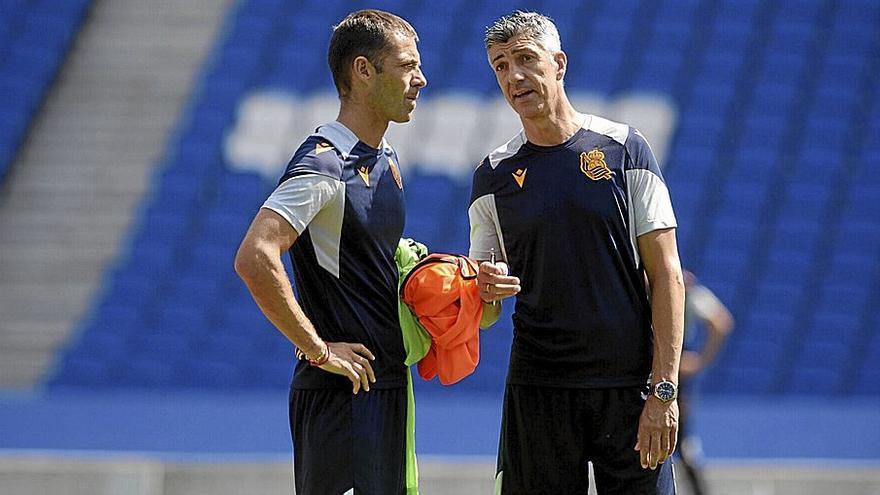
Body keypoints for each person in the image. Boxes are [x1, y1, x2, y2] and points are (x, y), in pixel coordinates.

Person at [470, 11, 684, 494]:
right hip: (538, 390)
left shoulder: (625, 149)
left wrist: (663, 392)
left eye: (526, 59)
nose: (514, 76)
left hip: (628, 389)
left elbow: (666, 273)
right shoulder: (493, 175)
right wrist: (485, 293)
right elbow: (485, 312)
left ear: (559, 63)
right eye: (500, 66)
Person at [234, 9, 427, 494]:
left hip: (383, 389)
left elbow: (364, 255)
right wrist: (319, 350)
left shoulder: (386, 159)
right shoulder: (325, 163)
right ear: (364, 71)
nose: (420, 79)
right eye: (406, 65)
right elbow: (255, 256)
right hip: (342, 397)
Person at [676, 271, 734, 495]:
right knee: (680, 439)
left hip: (665, 369)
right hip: (671, 367)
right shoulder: (684, 283)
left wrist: (700, 361)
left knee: (679, 437)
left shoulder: (679, 284)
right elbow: (721, 322)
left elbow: (720, 322)